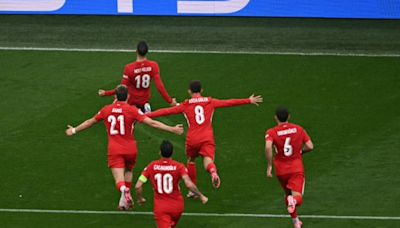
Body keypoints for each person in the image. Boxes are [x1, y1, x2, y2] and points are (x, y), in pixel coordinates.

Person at [65, 85, 183, 210]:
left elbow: (90, 122)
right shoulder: (132, 110)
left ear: (115, 96)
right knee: (128, 171)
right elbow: (152, 122)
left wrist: (73, 130)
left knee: (118, 179)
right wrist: (172, 129)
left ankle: (124, 191)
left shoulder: (106, 110)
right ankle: (123, 202)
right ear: (128, 96)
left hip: (115, 149)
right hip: (130, 148)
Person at [147, 80, 262, 195]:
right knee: (208, 159)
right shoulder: (209, 101)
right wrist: (248, 100)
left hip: (192, 138)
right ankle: (213, 172)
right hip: (207, 137)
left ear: (189, 91)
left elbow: (165, 111)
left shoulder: (186, 105)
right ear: (201, 90)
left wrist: (145, 115)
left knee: (191, 160)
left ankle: (192, 191)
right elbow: (228, 102)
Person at [135, 140, 208, 228]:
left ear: (160, 152)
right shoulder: (179, 167)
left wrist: (140, 198)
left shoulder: (151, 166)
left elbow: (138, 185)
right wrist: (201, 196)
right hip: (177, 207)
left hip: (161, 208)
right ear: (172, 152)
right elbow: (189, 184)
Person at [265, 107, 314, 228]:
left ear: (275, 117)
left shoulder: (271, 132)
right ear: (289, 116)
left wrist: (269, 165)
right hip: (295, 168)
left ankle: (296, 222)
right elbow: (310, 146)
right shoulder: (298, 129)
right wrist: (300, 152)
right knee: (297, 198)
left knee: (288, 196)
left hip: (280, 170)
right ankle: (294, 204)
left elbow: (267, 147)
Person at [98, 41, 177, 113]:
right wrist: (170, 101)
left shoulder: (129, 68)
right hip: (144, 99)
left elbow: (122, 88)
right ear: (147, 52)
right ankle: (143, 107)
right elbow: (160, 87)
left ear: (136, 51)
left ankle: (134, 108)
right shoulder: (153, 66)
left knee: (116, 101)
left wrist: (106, 93)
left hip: (131, 100)